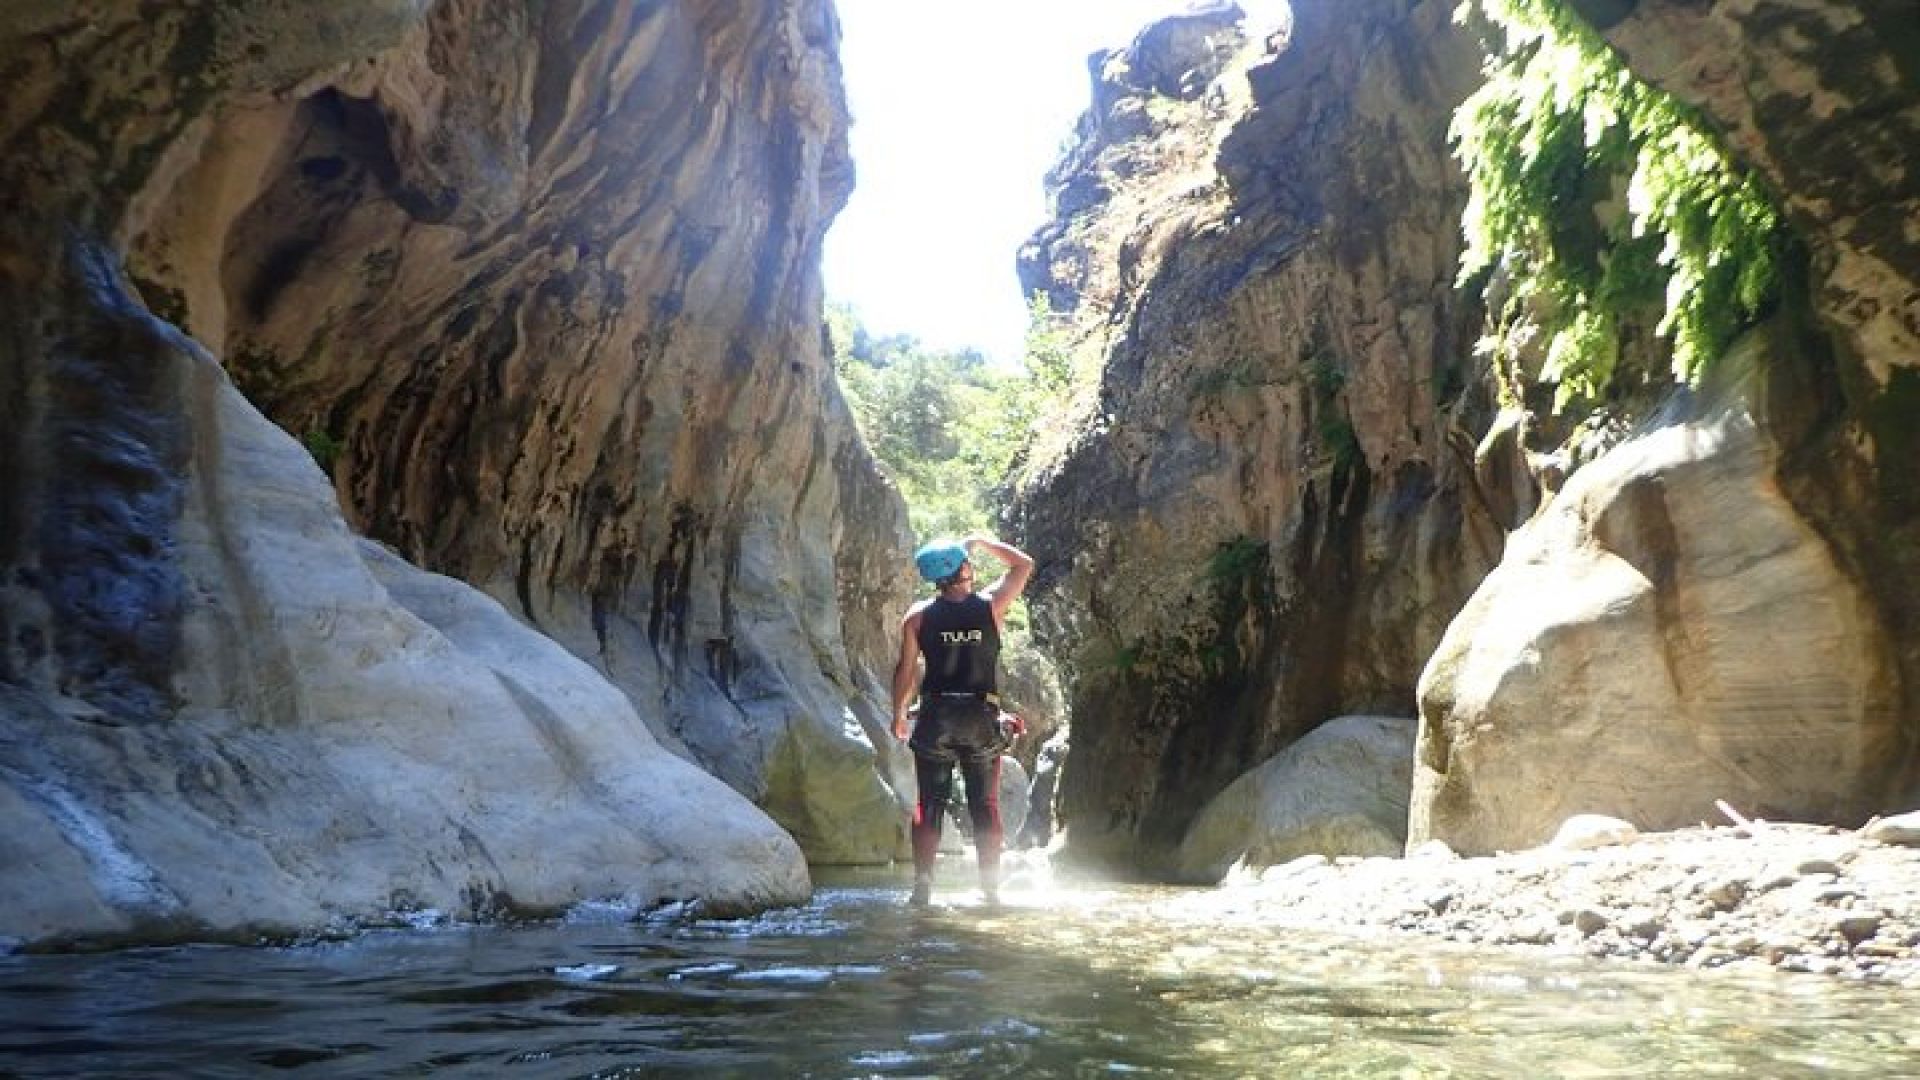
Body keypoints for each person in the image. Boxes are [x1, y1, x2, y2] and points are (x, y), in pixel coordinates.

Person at [892, 532, 1034, 906]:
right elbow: (1024, 564)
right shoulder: (990, 606)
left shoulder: (918, 617)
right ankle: (990, 890)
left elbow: (905, 670)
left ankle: (922, 886)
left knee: (930, 804)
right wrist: (979, 540)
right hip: (980, 718)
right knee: (983, 805)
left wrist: (897, 716)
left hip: (935, 718)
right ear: (963, 568)